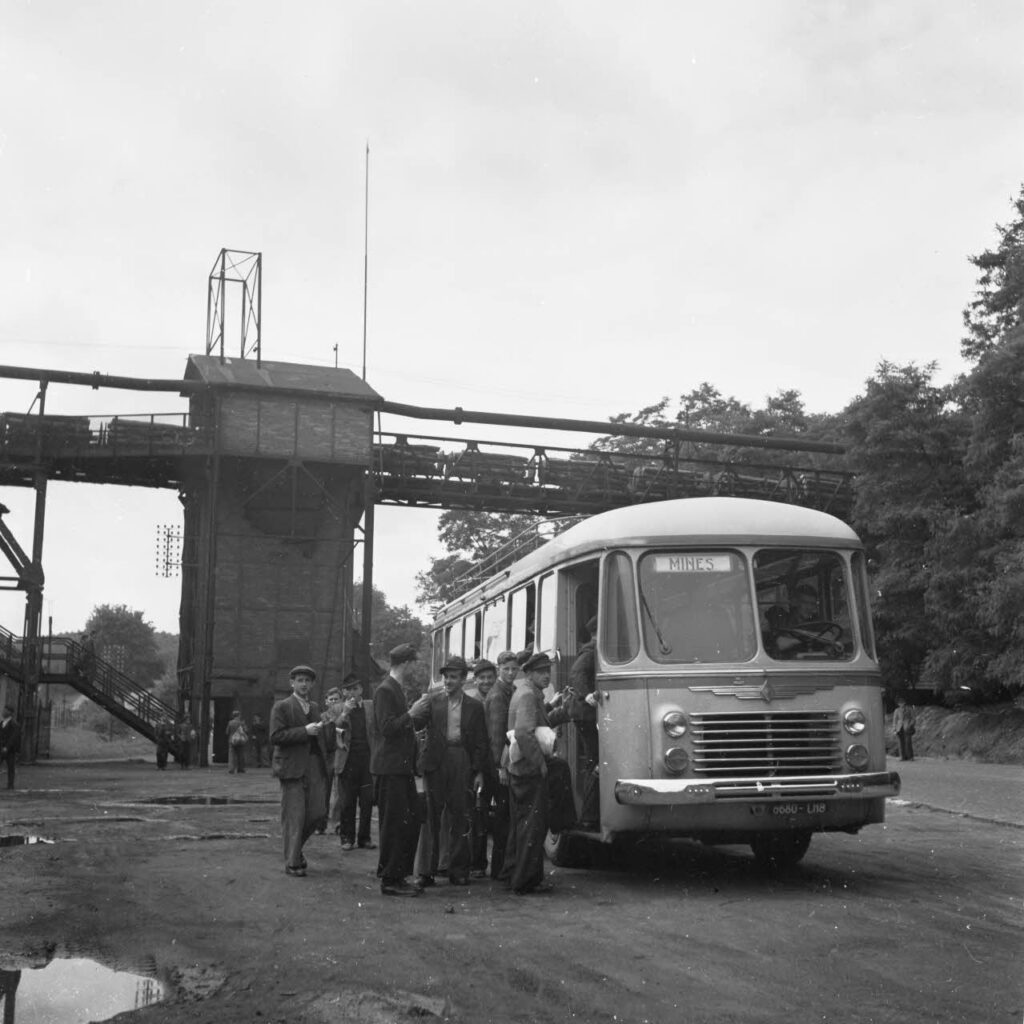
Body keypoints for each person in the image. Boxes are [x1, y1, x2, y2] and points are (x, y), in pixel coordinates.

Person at [414, 655, 488, 888]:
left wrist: (478, 772)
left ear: (463, 679)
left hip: (461, 759)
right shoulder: (432, 701)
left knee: (460, 815)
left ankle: (458, 870)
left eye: (453, 677)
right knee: (430, 817)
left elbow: (481, 742)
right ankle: (426, 871)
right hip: (435, 761)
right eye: (446, 677)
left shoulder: (475, 706)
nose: (448, 681)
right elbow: (415, 723)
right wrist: (415, 709)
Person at [505, 651, 570, 895]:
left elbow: (537, 724)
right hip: (528, 770)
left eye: (547, 671)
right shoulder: (528, 696)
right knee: (532, 826)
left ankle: (517, 876)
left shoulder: (528, 692)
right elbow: (524, 733)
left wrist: (561, 711)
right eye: (541, 672)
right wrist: (540, 764)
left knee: (523, 825)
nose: (546, 676)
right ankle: (525, 881)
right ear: (529, 674)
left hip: (521, 768)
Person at [373, 643, 431, 896]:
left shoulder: (394, 688)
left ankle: (398, 875)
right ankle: (390, 879)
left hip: (400, 768)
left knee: (409, 819)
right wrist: (412, 713)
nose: (415, 668)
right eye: (414, 663)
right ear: (406, 663)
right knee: (395, 824)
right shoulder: (385, 690)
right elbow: (386, 728)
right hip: (391, 769)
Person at [270, 665, 330, 877]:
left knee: (318, 813)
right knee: (294, 817)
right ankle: (292, 862)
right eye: (300, 680)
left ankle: (295, 850)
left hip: (314, 765)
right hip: (292, 767)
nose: (304, 684)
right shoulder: (282, 706)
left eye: (307, 681)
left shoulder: (314, 707)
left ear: (312, 684)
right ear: (292, 683)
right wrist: (304, 731)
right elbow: (276, 736)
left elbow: (320, 737)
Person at [484, 650, 518, 880]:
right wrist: (501, 767)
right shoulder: (498, 695)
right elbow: (496, 735)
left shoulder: (508, 690)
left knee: (504, 816)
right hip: (501, 764)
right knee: (503, 817)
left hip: (504, 761)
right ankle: (500, 869)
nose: (510, 673)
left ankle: (502, 868)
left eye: (514, 669)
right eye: (506, 669)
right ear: (499, 669)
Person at [331, 673, 376, 852]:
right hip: (347, 761)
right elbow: (333, 729)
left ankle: (364, 838)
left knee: (367, 801)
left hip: (367, 760)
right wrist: (345, 713)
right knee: (347, 802)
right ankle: (347, 838)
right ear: (343, 692)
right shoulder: (337, 708)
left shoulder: (370, 706)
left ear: (361, 689)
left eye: (355, 689)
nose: (352, 693)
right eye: (348, 690)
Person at [567, 617, 600, 826]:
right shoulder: (591, 650)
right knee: (595, 762)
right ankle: (589, 816)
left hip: (585, 714)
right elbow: (577, 673)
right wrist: (587, 694)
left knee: (594, 761)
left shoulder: (594, 649)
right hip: (586, 715)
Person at [468, 658, 497, 876]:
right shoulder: (472, 703)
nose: (486, 682)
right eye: (482, 678)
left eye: (490, 677)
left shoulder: (497, 698)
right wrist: (476, 769)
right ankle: (477, 863)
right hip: (479, 767)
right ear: (475, 680)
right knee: (478, 815)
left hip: (495, 765)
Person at [0, 705, 21, 790]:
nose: (3, 712)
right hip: (1, 749)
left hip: (10, 750)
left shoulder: (14, 724)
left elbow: (13, 738)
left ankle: (10, 785)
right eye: (3, 710)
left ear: (10, 712)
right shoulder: (2, 723)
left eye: (5, 710)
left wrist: (7, 747)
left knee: (11, 768)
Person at [893, 696, 916, 762]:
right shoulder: (897, 710)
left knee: (908, 742)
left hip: (907, 727)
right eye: (899, 703)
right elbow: (895, 720)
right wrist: (894, 728)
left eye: (902, 702)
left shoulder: (909, 709)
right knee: (900, 743)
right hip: (899, 728)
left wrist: (910, 725)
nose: (901, 704)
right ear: (898, 704)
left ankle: (910, 757)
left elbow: (913, 718)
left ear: (904, 703)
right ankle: (902, 757)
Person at [226, 710, 248, 774]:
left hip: (232, 740)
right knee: (240, 755)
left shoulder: (230, 723)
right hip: (240, 740)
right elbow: (246, 730)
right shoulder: (241, 723)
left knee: (231, 755)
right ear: (239, 715)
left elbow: (227, 732)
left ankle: (231, 769)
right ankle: (240, 769)